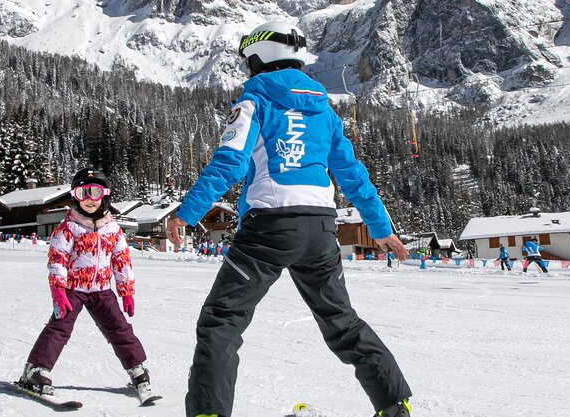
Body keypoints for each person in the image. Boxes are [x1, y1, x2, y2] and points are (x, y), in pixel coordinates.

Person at [176, 20, 414, 417]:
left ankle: (208, 412)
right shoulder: (325, 109)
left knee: (222, 320)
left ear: (258, 56)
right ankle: (394, 405)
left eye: (247, 59)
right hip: (321, 227)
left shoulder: (255, 100)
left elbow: (231, 162)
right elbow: (352, 174)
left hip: (269, 225)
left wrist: (188, 213)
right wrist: (381, 229)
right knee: (341, 321)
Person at [16, 169, 157, 406]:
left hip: (102, 289)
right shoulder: (68, 227)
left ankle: (137, 370)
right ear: (75, 197)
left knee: (120, 329)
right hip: (73, 288)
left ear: (105, 196)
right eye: (83, 193)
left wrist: (127, 291)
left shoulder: (113, 229)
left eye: (95, 192)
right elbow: (57, 258)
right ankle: (35, 371)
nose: (90, 199)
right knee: (59, 328)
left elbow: (122, 260)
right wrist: (58, 290)